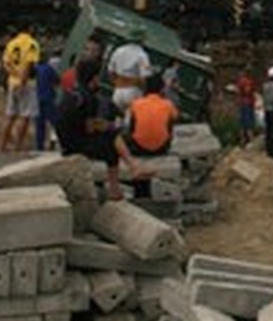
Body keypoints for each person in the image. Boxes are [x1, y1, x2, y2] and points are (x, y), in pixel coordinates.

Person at [56, 59, 152, 200]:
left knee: (110, 135)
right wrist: (108, 126)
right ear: (94, 78)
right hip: (76, 145)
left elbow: (82, 122)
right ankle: (120, 182)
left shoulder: (72, 93)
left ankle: (131, 170)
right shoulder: (90, 98)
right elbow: (90, 128)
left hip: (64, 142)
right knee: (112, 142)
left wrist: (103, 125)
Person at [0, 25, 41, 152]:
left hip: (12, 82)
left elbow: (6, 63)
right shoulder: (32, 44)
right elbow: (29, 64)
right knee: (25, 116)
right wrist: (23, 80)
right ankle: (18, 146)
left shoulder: (12, 44)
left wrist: (14, 75)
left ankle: (3, 145)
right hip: (27, 83)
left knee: (10, 115)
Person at [128, 73, 180, 156]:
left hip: (138, 148)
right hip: (161, 149)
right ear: (162, 89)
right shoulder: (168, 104)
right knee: (169, 120)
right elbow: (176, 117)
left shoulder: (136, 104)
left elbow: (131, 126)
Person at [107, 27, 152, 121]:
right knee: (129, 121)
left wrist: (118, 83)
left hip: (118, 89)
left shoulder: (118, 50)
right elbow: (144, 79)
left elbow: (110, 72)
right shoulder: (142, 55)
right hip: (134, 91)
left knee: (115, 119)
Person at [33, 52, 61, 151]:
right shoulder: (48, 69)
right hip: (48, 98)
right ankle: (63, 141)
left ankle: (39, 146)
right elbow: (57, 80)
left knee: (39, 124)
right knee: (54, 121)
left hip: (36, 99)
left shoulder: (35, 69)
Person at [235, 69, 257, 147]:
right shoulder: (248, 81)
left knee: (244, 123)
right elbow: (248, 91)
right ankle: (250, 140)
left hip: (244, 103)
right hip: (248, 103)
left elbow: (245, 91)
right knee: (248, 123)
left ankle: (244, 140)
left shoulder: (242, 82)